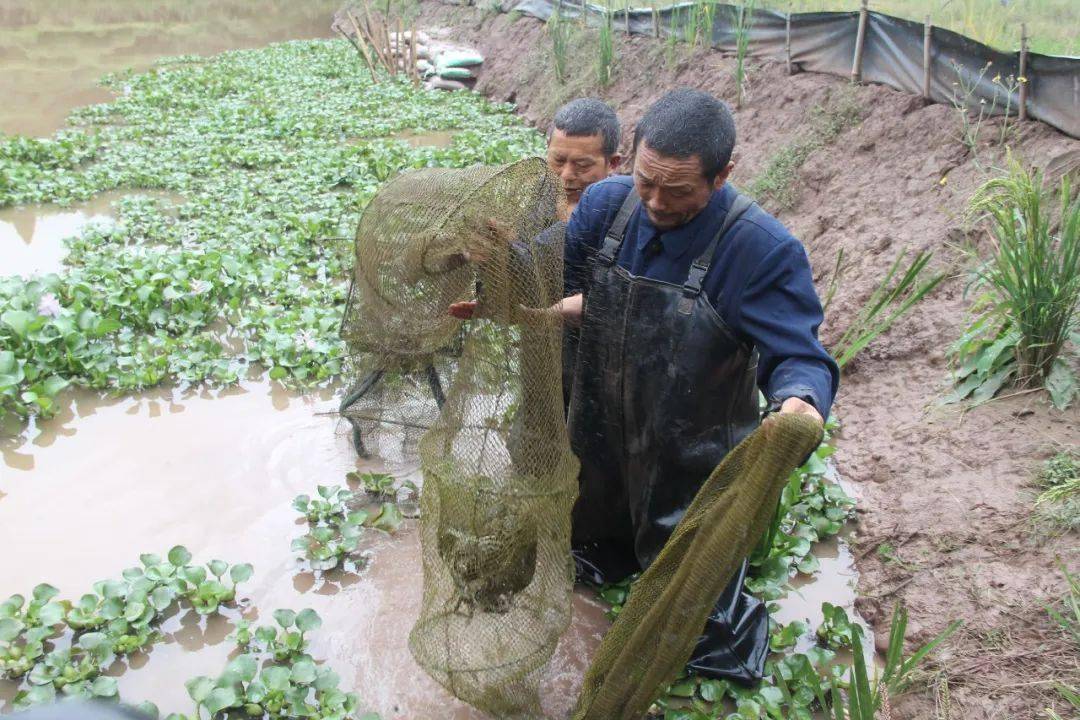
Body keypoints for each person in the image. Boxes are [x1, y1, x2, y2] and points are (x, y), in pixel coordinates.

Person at [561, 88, 839, 684]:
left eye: (679, 191)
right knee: (589, 554)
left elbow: (800, 354)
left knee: (694, 622)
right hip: (602, 433)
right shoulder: (607, 206)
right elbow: (547, 269)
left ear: (723, 175)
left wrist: (800, 404)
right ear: (629, 159)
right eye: (646, 182)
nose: (657, 202)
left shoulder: (761, 249)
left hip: (690, 456)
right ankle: (605, 561)